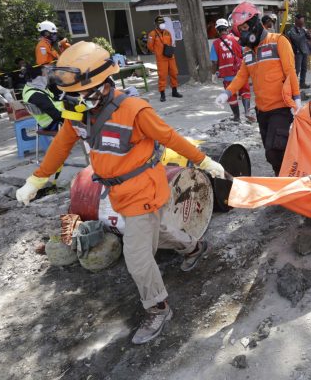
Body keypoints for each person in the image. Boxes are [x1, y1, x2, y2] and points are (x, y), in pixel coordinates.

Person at [15, 41, 225, 344]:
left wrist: (204, 161)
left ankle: (158, 308)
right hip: (118, 193)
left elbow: (169, 137)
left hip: (145, 190)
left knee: (137, 256)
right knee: (155, 231)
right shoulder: (78, 111)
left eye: (77, 94)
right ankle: (193, 247)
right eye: (68, 95)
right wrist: (36, 181)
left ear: (100, 85)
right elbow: (61, 146)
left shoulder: (134, 111)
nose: (71, 100)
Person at [216, 2, 301, 175]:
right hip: (262, 111)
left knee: (275, 150)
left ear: (255, 22)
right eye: (240, 29)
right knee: (271, 154)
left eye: (245, 27)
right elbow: (241, 75)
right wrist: (227, 93)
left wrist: (297, 100)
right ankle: (283, 177)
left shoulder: (279, 42)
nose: (243, 32)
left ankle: (288, 179)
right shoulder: (247, 51)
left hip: (281, 108)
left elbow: (290, 72)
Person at [210, 18, 251, 122]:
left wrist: (213, 74)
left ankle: (236, 117)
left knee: (231, 95)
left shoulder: (215, 44)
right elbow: (246, 53)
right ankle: (247, 112)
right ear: (227, 28)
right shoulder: (237, 40)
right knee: (245, 91)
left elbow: (214, 62)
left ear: (217, 30)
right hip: (240, 72)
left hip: (227, 75)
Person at [147, 16, 182, 102]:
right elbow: (150, 46)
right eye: (159, 23)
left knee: (174, 73)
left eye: (162, 23)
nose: (161, 25)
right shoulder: (152, 34)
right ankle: (162, 94)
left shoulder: (167, 33)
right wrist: (158, 52)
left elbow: (170, 43)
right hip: (161, 58)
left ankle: (174, 91)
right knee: (162, 76)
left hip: (170, 57)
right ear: (156, 24)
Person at [285, 14, 311, 89]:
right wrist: (304, 34)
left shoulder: (303, 29)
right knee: (296, 70)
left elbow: (309, 38)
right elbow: (296, 39)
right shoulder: (292, 30)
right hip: (297, 52)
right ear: (296, 20)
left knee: (304, 68)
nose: (303, 22)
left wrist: (308, 34)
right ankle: (292, 85)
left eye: (303, 20)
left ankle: (302, 83)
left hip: (304, 51)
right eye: (301, 20)